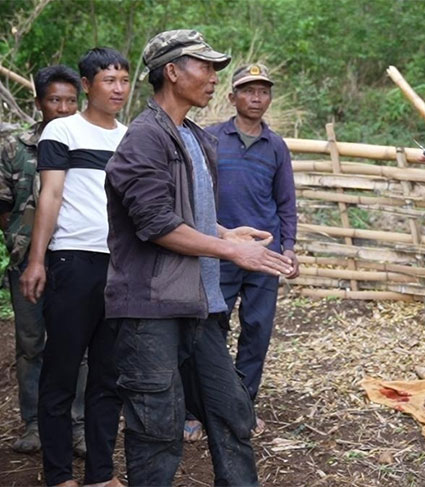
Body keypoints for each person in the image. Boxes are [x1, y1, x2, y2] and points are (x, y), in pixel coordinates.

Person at [104, 29, 294, 486]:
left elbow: (184, 216)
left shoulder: (195, 137)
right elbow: (155, 225)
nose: (213, 78)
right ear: (172, 71)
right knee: (158, 428)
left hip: (200, 305)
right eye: (204, 66)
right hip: (151, 309)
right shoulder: (144, 139)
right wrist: (232, 250)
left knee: (231, 413)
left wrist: (226, 231)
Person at [20, 48, 130, 487]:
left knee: (107, 376)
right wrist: (37, 259)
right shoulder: (63, 130)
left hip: (120, 266)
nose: (118, 89)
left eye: (123, 80)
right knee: (62, 373)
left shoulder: (130, 136)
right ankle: (59, 476)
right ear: (87, 85)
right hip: (72, 260)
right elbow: (50, 196)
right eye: (108, 80)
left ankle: (101, 475)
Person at [205, 63, 299, 435]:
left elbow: (286, 203)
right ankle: (203, 408)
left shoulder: (275, 146)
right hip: (221, 251)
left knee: (257, 330)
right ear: (232, 97)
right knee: (211, 328)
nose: (256, 98)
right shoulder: (211, 138)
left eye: (263, 91)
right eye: (248, 90)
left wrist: (288, 247)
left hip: (265, 255)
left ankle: (242, 407)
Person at [0, 65, 89, 457]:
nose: (64, 108)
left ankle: (79, 424)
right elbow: (3, 205)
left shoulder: (90, 143)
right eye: (55, 100)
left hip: (78, 261)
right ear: (38, 103)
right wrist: (21, 242)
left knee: (78, 345)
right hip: (27, 263)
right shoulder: (14, 147)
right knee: (31, 344)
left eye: (71, 100)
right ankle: (35, 424)